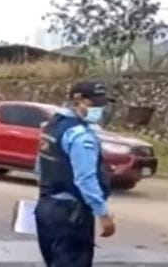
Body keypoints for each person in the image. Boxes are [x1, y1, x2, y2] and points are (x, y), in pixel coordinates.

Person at [34, 81, 116, 267]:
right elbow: (85, 180)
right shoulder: (80, 136)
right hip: (71, 214)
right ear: (79, 102)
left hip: (47, 206)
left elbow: (39, 166)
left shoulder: (52, 126)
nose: (101, 109)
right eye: (96, 104)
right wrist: (103, 214)